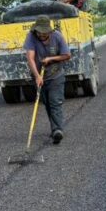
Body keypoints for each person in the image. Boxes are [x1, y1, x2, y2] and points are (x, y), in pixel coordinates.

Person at [24, 15, 71, 143]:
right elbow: (30, 58)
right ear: (36, 30)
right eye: (40, 32)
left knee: (55, 102)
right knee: (48, 104)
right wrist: (37, 76)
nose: (42, 35)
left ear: (49, 31)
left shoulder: (57, 36)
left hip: (56, 75)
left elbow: (67, 55)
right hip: (40, 76)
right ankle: (54, 128)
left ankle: (57, 130)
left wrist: (50, 59)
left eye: (44, 32)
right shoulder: (31, 37)